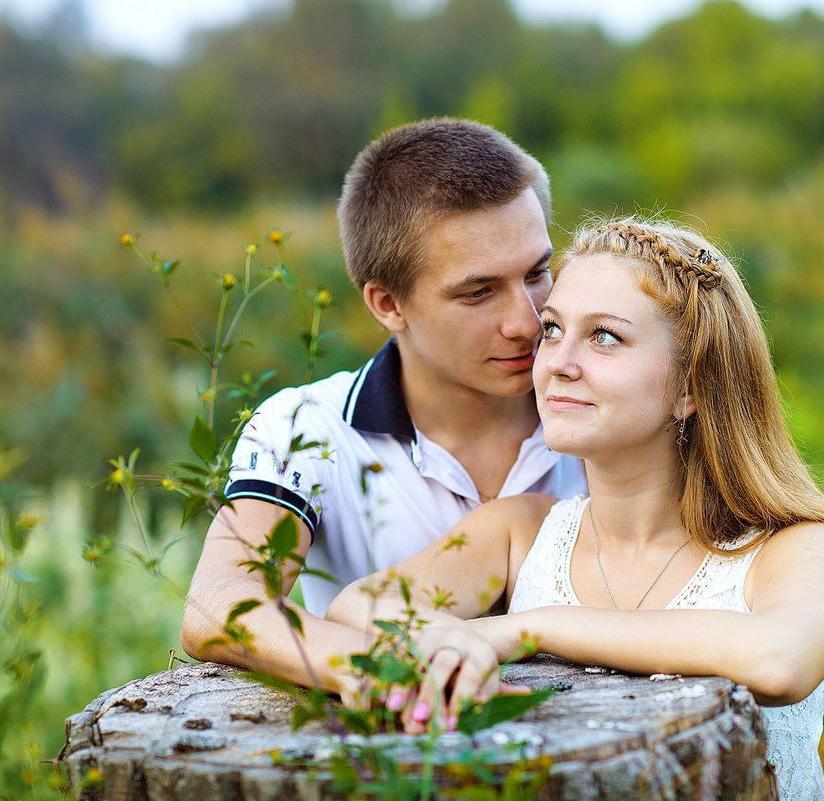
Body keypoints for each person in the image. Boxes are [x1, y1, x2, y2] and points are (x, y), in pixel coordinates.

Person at [327, 217, 824, 801]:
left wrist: (523, 629)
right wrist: (445, 640)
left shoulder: (797, 545)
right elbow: (362, 602)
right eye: (552, 330)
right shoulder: (521, 532)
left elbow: (780, 661)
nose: (557, 361)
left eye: (605, 336)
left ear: (691, 385)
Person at [180, 119, 586, 699]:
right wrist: (389, 667)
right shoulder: (305, 428)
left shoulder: (612, 406)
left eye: (538, 272)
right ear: (388, 303)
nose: (527, 321)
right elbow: (217, 603)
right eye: (478, 292)